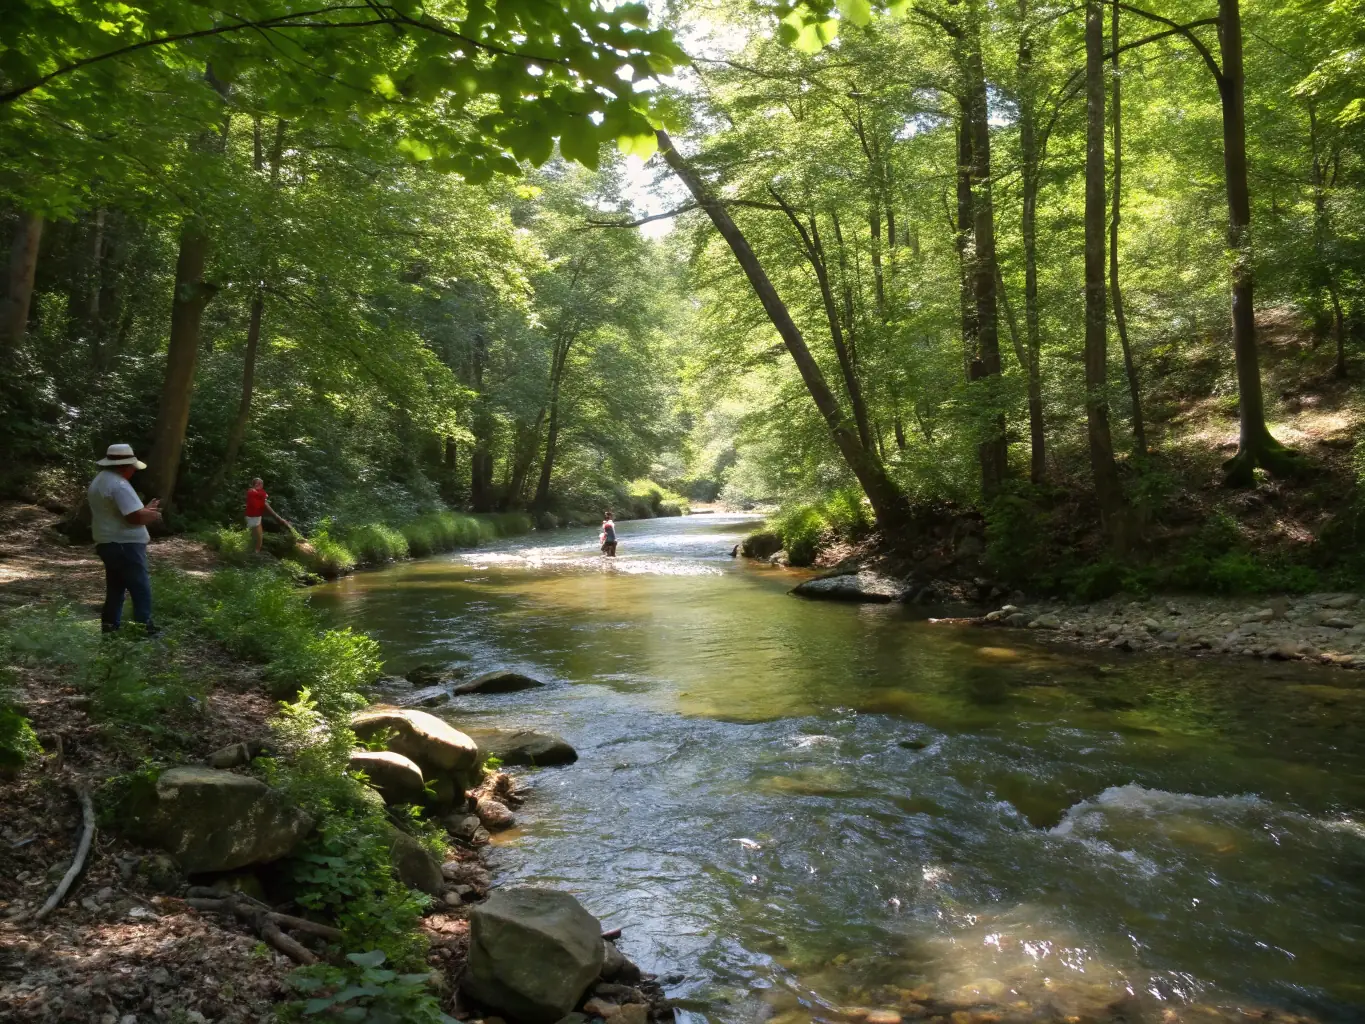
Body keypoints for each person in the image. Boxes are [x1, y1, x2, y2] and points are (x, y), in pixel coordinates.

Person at [87, 443, 162, 635]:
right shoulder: (119, 484)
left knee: (116, 589)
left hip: (108, 542)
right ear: (124, 467)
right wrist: (151, 515)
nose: (133, 471)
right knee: (140, 588)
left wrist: (145, 510)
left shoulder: (101, 480)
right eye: (132, 468)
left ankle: (110, 628)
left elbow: (123, 512)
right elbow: (133, 518)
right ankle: (144, 629)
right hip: (124, 544)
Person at [245, 477, 289, 554]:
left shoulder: (260, 493)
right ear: (254, 484)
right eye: (257, 483)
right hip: (252, 517)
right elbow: (261, 505)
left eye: (261, 483)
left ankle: (254, 553)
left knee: (259, 537)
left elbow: (264, 506)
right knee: (256, 536)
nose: (260, 485)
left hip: (257, 516)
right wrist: (279, 519)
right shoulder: (252, 492)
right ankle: (250, 553)